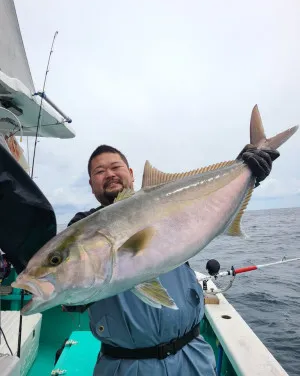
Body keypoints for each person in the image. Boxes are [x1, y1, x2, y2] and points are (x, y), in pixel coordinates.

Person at [64, 143, 279, 376]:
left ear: (132, 173)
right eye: (99, 171)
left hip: (193, 356)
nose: (109, 174)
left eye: (116, 166)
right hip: (125, 365)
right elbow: (71, 289)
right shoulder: (82, 229)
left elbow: (211, 207)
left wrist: (246, 175)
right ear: (91, 184)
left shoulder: (170, 204)